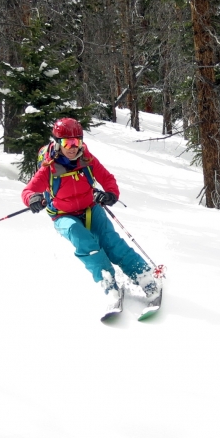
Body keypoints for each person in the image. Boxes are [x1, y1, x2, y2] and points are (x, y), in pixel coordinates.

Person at [22, 117, 159, 306]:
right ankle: (109, 286)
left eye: (76, 142)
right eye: (67, 142)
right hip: (63, 215)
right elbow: (27, 191)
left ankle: (146, 278)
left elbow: (108, 178)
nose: (72, 147)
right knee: (85, 242)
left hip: (90, 208)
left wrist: (111, 194)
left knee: (112, 242)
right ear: (57, 143)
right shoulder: (49, 168)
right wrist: (33, 199)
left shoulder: (87, 160)